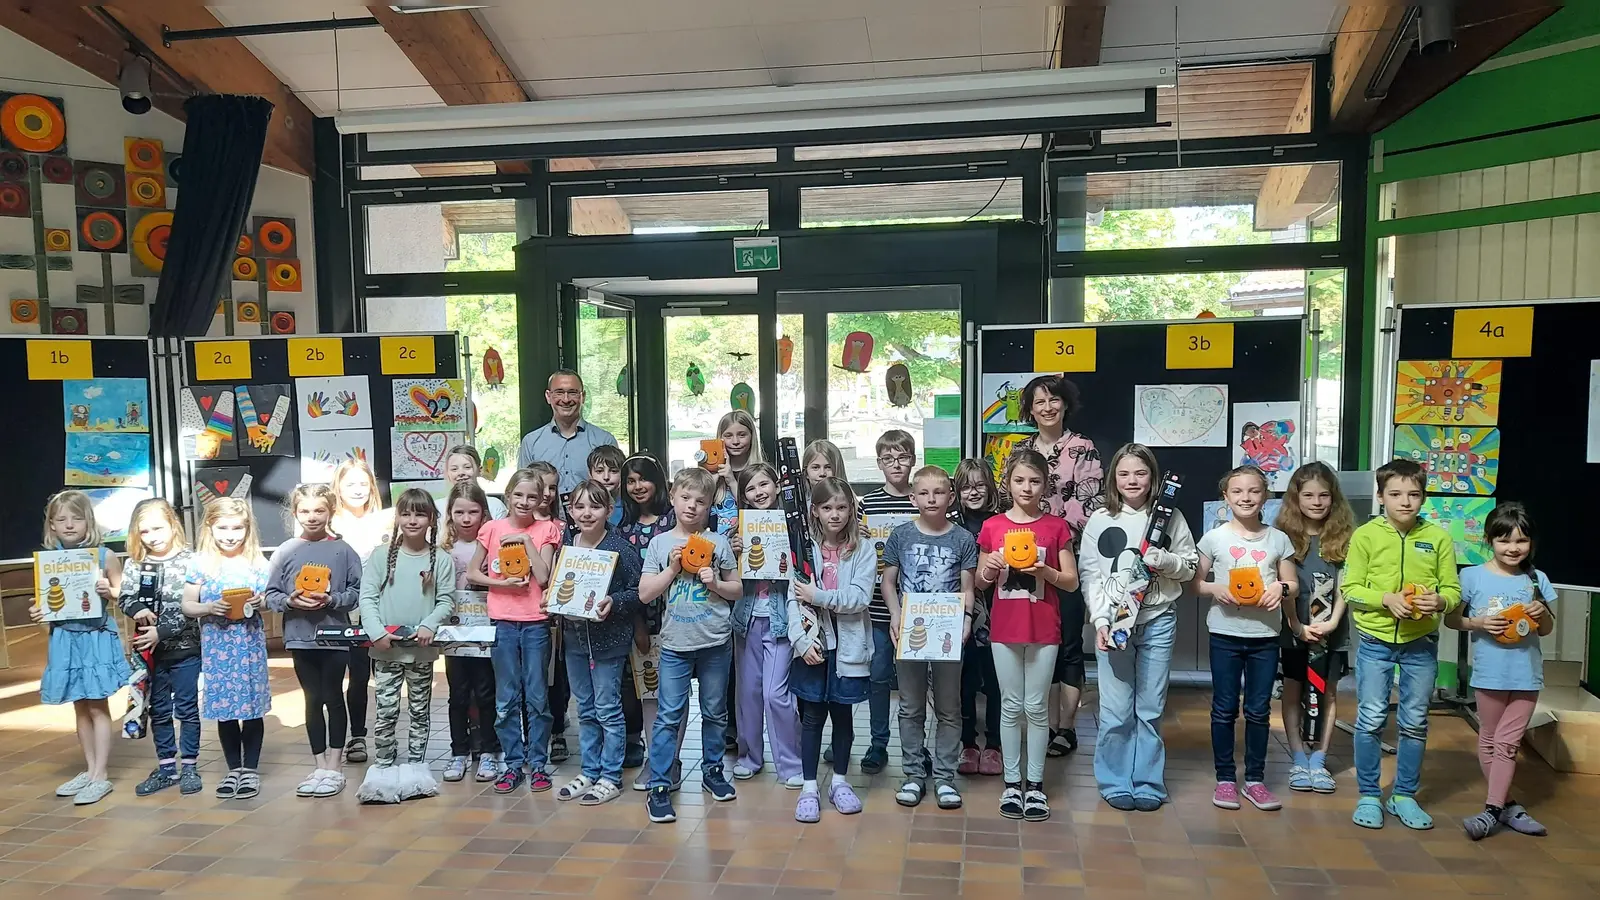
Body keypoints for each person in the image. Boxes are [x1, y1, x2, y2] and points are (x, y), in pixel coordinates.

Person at [1344, 458, 1461, 831]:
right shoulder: (1365, 536)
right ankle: (1368, 794)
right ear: (1380, 497)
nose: (1405, 502)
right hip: (1375, 641)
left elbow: (1453, 591)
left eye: (1413, 494)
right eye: (1395, 494)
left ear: (1424, 497)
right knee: (1372, 717)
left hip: (1421, 642)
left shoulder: (1438, 538)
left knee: (1414, 721)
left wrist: (1440, 602)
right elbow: (1351, 589)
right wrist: (1385, 600)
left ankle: (1404, 796)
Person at [1079, 443, 1197, 812]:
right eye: (1125, 473)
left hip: (1158, 620)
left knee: (1149, 707)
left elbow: (1191, 567)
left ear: (1153, 478)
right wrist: (1100, 620)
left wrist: (1167, 561)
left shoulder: (1170, 517)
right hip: (1113, 624)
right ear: (1114, 476)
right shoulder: (1100, 518)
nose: (1133, 480)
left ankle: (1147, 780)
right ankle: (1115, 781)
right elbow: (1091, 576)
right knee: (1115, 709)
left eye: (1141, 473)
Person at [975, 449, 1079, 822]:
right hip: (1005, 628)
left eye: (1035, 481)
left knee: (1036, 707)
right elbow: (980, 583)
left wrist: (1045, 570)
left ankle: (1035, 786)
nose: (1027, 488)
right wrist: (988, 568)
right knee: (1010, 704)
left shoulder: (1055, 527)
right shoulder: (992, 527)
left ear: (1045, 485)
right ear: (1008, 483)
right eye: (1019, 480)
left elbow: (1070, 581)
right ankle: (1011, 784)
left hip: (1044, 628)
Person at [638, 467, 741, 824]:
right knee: (668, 716)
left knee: (714, 712)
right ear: (672, 498)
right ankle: (660, 784)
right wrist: (671, 569)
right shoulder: (660, 543)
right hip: (675, 645)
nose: (692, 507)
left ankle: (713, 771)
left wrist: (715, 583)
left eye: (701, 501)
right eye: (685, 498)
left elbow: (737, 589)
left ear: (710, 503)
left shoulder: (720, 543)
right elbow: (645, 593)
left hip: (715, 641)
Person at [1447, 502, 1555, 840]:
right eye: (1504, 540)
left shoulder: (1537, 579)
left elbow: (1547, 629)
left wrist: (1541, 614)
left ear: (1531, 544)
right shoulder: (1471, 576)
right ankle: (1508, 806)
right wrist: (1478, 622)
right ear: (1489, 540)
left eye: (1521, 541)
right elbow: (1452, 620)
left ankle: (1492, 810)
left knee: (1508, 743)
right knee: (1490, 739)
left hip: (1526, 674)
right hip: (1489, 674)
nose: (1513, 548)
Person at [1195, 466, 1297, 813]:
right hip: (1224, 633)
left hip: (1265, 636)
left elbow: (1292, 584)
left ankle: (1255, 779)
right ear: (1226, 496)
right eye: (1237, 492)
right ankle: (1225, 779)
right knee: (1223, 709)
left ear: (1265, 496)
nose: (1246, 498)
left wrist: (1279, 588)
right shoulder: (1214, 538)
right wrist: (1216, 588)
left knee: (1258, 710)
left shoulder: (1278, 538)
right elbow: (1195, 584)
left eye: (1253, 491)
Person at [1014, 374, 1103, 759]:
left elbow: (1091, 507)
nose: (1047, 407)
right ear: (1029, 410)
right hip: (1020, 561)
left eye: (1053, 400)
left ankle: (1064, 728)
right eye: (1038, 402)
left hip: (1066, 559)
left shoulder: (1083, 448)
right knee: (1035, 642)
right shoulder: (1019, 450)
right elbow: (1010, 500)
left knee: (1067, 643)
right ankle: (1041, 721)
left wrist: (1049, 535)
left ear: (1065, 404)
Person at [883, 466, 978, 810]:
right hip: (909, 632)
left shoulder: (963, 539)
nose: (931, 498)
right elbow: (888, 582)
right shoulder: (901, 535)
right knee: (910, 706)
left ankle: (945, 778)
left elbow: (968, 589)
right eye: (924, 493)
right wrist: (896, 615)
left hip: (949, 632)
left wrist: (966, 619)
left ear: (950, 497)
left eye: (939, 492)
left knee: (949, 708)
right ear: (913, 498)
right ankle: (912, 775)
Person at [355, 488, 457, 804]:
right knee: (385, 709)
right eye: (406, 513)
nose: (413, 520)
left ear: (432, 519)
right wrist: (375, 632)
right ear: (398, 517)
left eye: (420, 514)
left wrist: (429, 624)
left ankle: (415, 766)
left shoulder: (441, 559)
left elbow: (446, 600)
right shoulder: (380, 555)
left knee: (419, 710)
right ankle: (383, 766)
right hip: (385, 650)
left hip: (421, 652)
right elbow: (367, 598)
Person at [469, 464, 563, 794]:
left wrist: (525, 540)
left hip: (536, 623)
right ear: (508, 496)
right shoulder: (491, 529)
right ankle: (512, 763)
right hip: (503, 621)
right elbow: (473, 573)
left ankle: (538, 763)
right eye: (519, 495)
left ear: (542, 500)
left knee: (537, 695)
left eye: (532, 496)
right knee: (506, 697)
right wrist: (502, 583)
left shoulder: (547, 528)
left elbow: (544, 577)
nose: (524, 501)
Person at [266, 484, 363, 799]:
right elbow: (271, 595)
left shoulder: (344, 550)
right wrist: (292, 601)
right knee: (312, 699)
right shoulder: (285, 551)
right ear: (295, 513)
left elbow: (357, 592)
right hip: (299, 638)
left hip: (334, 638)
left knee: (333, 696)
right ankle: (319, 764)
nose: (312, 517)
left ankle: (335, 766)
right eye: (305, 511)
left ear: (331, 512)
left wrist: (332, 599)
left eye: (319, 510)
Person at [33, 490, 128, 806]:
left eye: (76, 518)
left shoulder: (104, 556)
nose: (69, 524)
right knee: (79, 705)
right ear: (52, 525)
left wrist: (109, 590)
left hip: (95, 638)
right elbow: (49, 610)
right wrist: (39, 614)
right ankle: (89, 770)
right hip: (65, 640)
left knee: (98, 705)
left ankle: (101, 774)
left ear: (89, 521)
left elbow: (123, 596)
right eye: (61, 519)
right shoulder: (48, 562)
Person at [788, 477, 875, 823]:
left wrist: (819, 596)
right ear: (815, 511)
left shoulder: (863, 550)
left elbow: (859, 598)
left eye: (841, 507)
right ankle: (809, 787)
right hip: (813, 647)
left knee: (842, 716)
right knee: (811, 718)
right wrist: (801, 641)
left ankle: (839, 781)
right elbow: (791, 599)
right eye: (827, 508)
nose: (835, 514)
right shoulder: (802, 548)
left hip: (849, 648)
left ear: (851, 509)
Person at [554, 480, 642, 806]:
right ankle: (589, 771)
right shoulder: (567, 544)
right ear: (571, 512)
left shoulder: (620, 548)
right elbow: (560, 584)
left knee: (608, 709)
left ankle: (610, 776)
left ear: (608, 510)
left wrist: (614, 603)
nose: (586, 513)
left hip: (609, 641)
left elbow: (638, 592)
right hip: (574, 639)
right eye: (579, 506)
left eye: (594, 506)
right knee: (586, 709)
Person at [182, 498, 272, 801]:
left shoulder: (257, 563)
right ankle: (233, 768)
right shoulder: (200, 563)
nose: (230, 535)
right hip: (217, 649)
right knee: (226, 711)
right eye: (222, 528)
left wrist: (261, 602)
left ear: (247, 529)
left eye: (237, 528)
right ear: (210, 527)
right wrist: (209, 606)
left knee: (251, 707)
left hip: (249, 648)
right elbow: (187, 604)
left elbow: (271, 599)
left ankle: (251, 770)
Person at [1274, 462, 1355, 795]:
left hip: (1332, 629)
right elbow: (1281, 585)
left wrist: (1333, 622)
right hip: (1293, 626)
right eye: (1308, 495)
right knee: (1293, 689)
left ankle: (1319, 759)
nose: (1317, 502)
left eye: (1324, 495)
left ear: (1333, 498)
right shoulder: (1282, 537)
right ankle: (1297, 757)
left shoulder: (1346, 537)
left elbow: (1347, 584)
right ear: (1296, 497)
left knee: (1328, 691)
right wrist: (1295, 624)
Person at [847, 428, 920, 775]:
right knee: (877, 676)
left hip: (918, 608)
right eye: (888, 458)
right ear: (878, 463)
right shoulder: (868, 503)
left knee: (914, 680)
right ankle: (878, 742)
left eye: (903, 457)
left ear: (913, 460)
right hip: (876, 606)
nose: (896, 464)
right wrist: (855, 536)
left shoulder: (921, 500)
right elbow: (850, 548)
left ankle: (916, 747)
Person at [117, 499, 202, 797]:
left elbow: (190, 608)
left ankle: (190, 766)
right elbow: (124, 598)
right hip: (149, 655)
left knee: (187, 709)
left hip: (186, 649)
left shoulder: (193, 560)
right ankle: (167, 768)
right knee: (159, 710)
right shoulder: (135, 564)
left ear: (172, 524)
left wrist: (161, 631)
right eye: (144, 531)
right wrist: (137, 608)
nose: (152, 536)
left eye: (158, 528)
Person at [728, 463, 802, 787]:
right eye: (751, 489)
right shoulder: (736, 529)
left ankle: (791, 762)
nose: (759, 493)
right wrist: (733, 553)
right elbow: (725, 572)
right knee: (747, 694)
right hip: (745, 620)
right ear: (743, 495)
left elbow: (802, 568)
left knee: (776, 694)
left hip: (781, 620)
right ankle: (749, 757)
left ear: (776, 485)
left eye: (764, 485)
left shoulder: (793, 525)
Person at [620, 453, 677, 787]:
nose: (638, 486)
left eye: (644, 478)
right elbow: (630, 585)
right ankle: (655, 759)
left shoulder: (673, 522)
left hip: (678, 618)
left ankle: (673, 759)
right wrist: (639, 625)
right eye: (631, 480)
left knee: (675, 692)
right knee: (649, 690)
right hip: (642, 623)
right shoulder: (624, 531)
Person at [330, 456, 391, 765]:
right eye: (349, 483)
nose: (357, 490)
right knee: (346, 676)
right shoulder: (330, 523)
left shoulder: (385, 520)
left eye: (363, 484)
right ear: (338, 487)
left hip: (379, 609)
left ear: (372, 488)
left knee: (376, 675)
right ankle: (349, 736)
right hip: (340, 610)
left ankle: (375, 735)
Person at [440, 482, 501, 784]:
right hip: (454, 631)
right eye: (459, 512)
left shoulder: (490, 545)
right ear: (449, 515)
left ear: (483, 513)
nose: (466, 518)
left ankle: (489, 750)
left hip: (486, 629)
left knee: (486, 691)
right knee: (458, 693)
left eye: (472, 512)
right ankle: (458, 751)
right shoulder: (444, 550)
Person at [953, 458, 1003, 777]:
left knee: (996, 682)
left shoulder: (1002, 521)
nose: (973, 492)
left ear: (991, 486)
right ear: (957, 491)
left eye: (980, 485)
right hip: (961, 613)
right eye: (966, 486)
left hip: (999, 612)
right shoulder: (950, 524)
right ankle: (968, 743)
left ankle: (995, 745)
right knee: (965, 681)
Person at [516, 370, 618, 496]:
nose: (566, 399)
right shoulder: (531, 442)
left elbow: (615, 491)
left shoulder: (604, 440)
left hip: (591, 515)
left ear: (583, 397)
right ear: (548, 396)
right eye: (559, 392)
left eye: (572, 393)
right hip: (546, 516)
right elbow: (522, 488)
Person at [436, 444, 507, 519]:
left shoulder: (495, 506)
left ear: (480, 470)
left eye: (467, 467)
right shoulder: (437, 507)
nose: (461, 473)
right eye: (454, 469)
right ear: (447, 473)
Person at [588, 444, 627, 528]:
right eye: (599, 471)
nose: (606, 477)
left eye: (613, 471)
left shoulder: (629, 508)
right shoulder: (582, 508)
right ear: (590, 474)